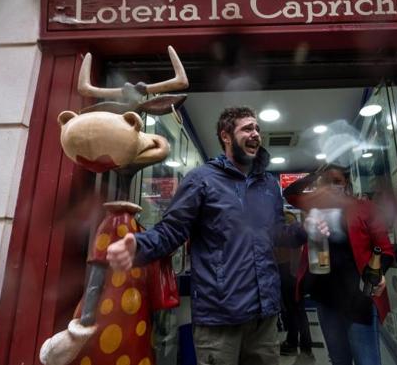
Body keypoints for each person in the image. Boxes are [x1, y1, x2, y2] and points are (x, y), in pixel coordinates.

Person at [106, 106, 327, 365]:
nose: (256, 133)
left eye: (257, 128)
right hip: (219, 319)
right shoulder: (202, 179)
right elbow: (172, 230)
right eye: (247, 128)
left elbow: (277, 234)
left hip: (264, 318)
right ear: (226, 135)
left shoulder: (268, 185)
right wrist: (139, 246)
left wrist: (304, 230)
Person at [283, 165, 394, 365]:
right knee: (339, 359)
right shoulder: (314, 207)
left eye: (337, 182)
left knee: (367, 360)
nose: (332, 187)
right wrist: (315, 175)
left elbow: (385, 250)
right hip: (326, 299)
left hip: (359, 298)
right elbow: (290, 193)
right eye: (326, 182)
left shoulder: (364, 207)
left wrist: (378, 274)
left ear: (346, 184)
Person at [276, 211, 313, 359]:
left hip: (288, 270)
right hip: (289, 269)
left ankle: (301, 346)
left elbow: (293, 246)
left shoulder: (287, 218)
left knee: (295, 310)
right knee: (294, 310)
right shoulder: (288, 217)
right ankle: (300, 344)